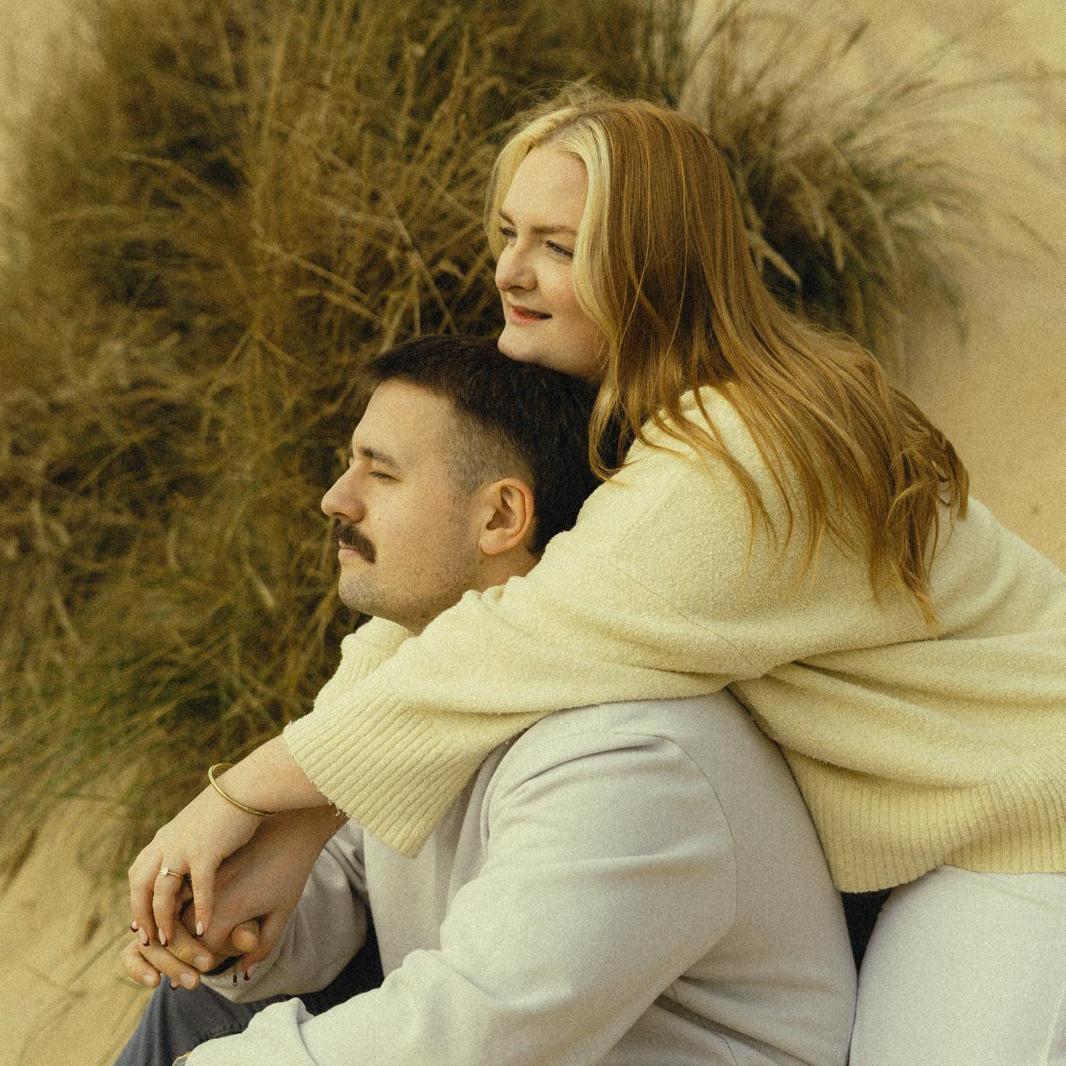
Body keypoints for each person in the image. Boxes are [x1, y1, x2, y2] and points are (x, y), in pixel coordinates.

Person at [128, 91, 1066, 1063]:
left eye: (558, 247)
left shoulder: (741, 452)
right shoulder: (636, 424)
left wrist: (243, 796)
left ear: (650, 265)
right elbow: (435, 637)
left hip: (1022, 827)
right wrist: (306, 814)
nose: (509, 269)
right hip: (907, 832)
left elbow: (518, 642)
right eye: (508, 234)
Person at [117, 334, 856, 1064]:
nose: (336, 498)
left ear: (501, 517)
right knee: (198, 1000)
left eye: (381, 474)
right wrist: (227, 930)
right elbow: (363, 884)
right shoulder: (429, 688)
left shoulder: (628, 752)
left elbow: (478, 1028)